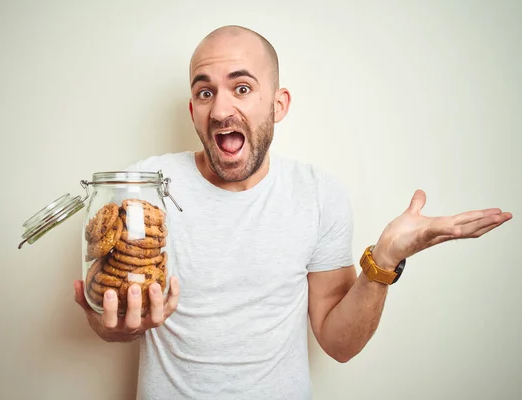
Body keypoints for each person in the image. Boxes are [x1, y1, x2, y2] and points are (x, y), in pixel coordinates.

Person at [73, 25, 512, 399]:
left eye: (242, 88)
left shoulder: (319, 194)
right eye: (205, 92)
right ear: (193, 110)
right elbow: (106, 309)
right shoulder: (142, 187)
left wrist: (385, 261)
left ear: (278, 105)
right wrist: (114, 325)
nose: (221, 109)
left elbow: (338, 343)